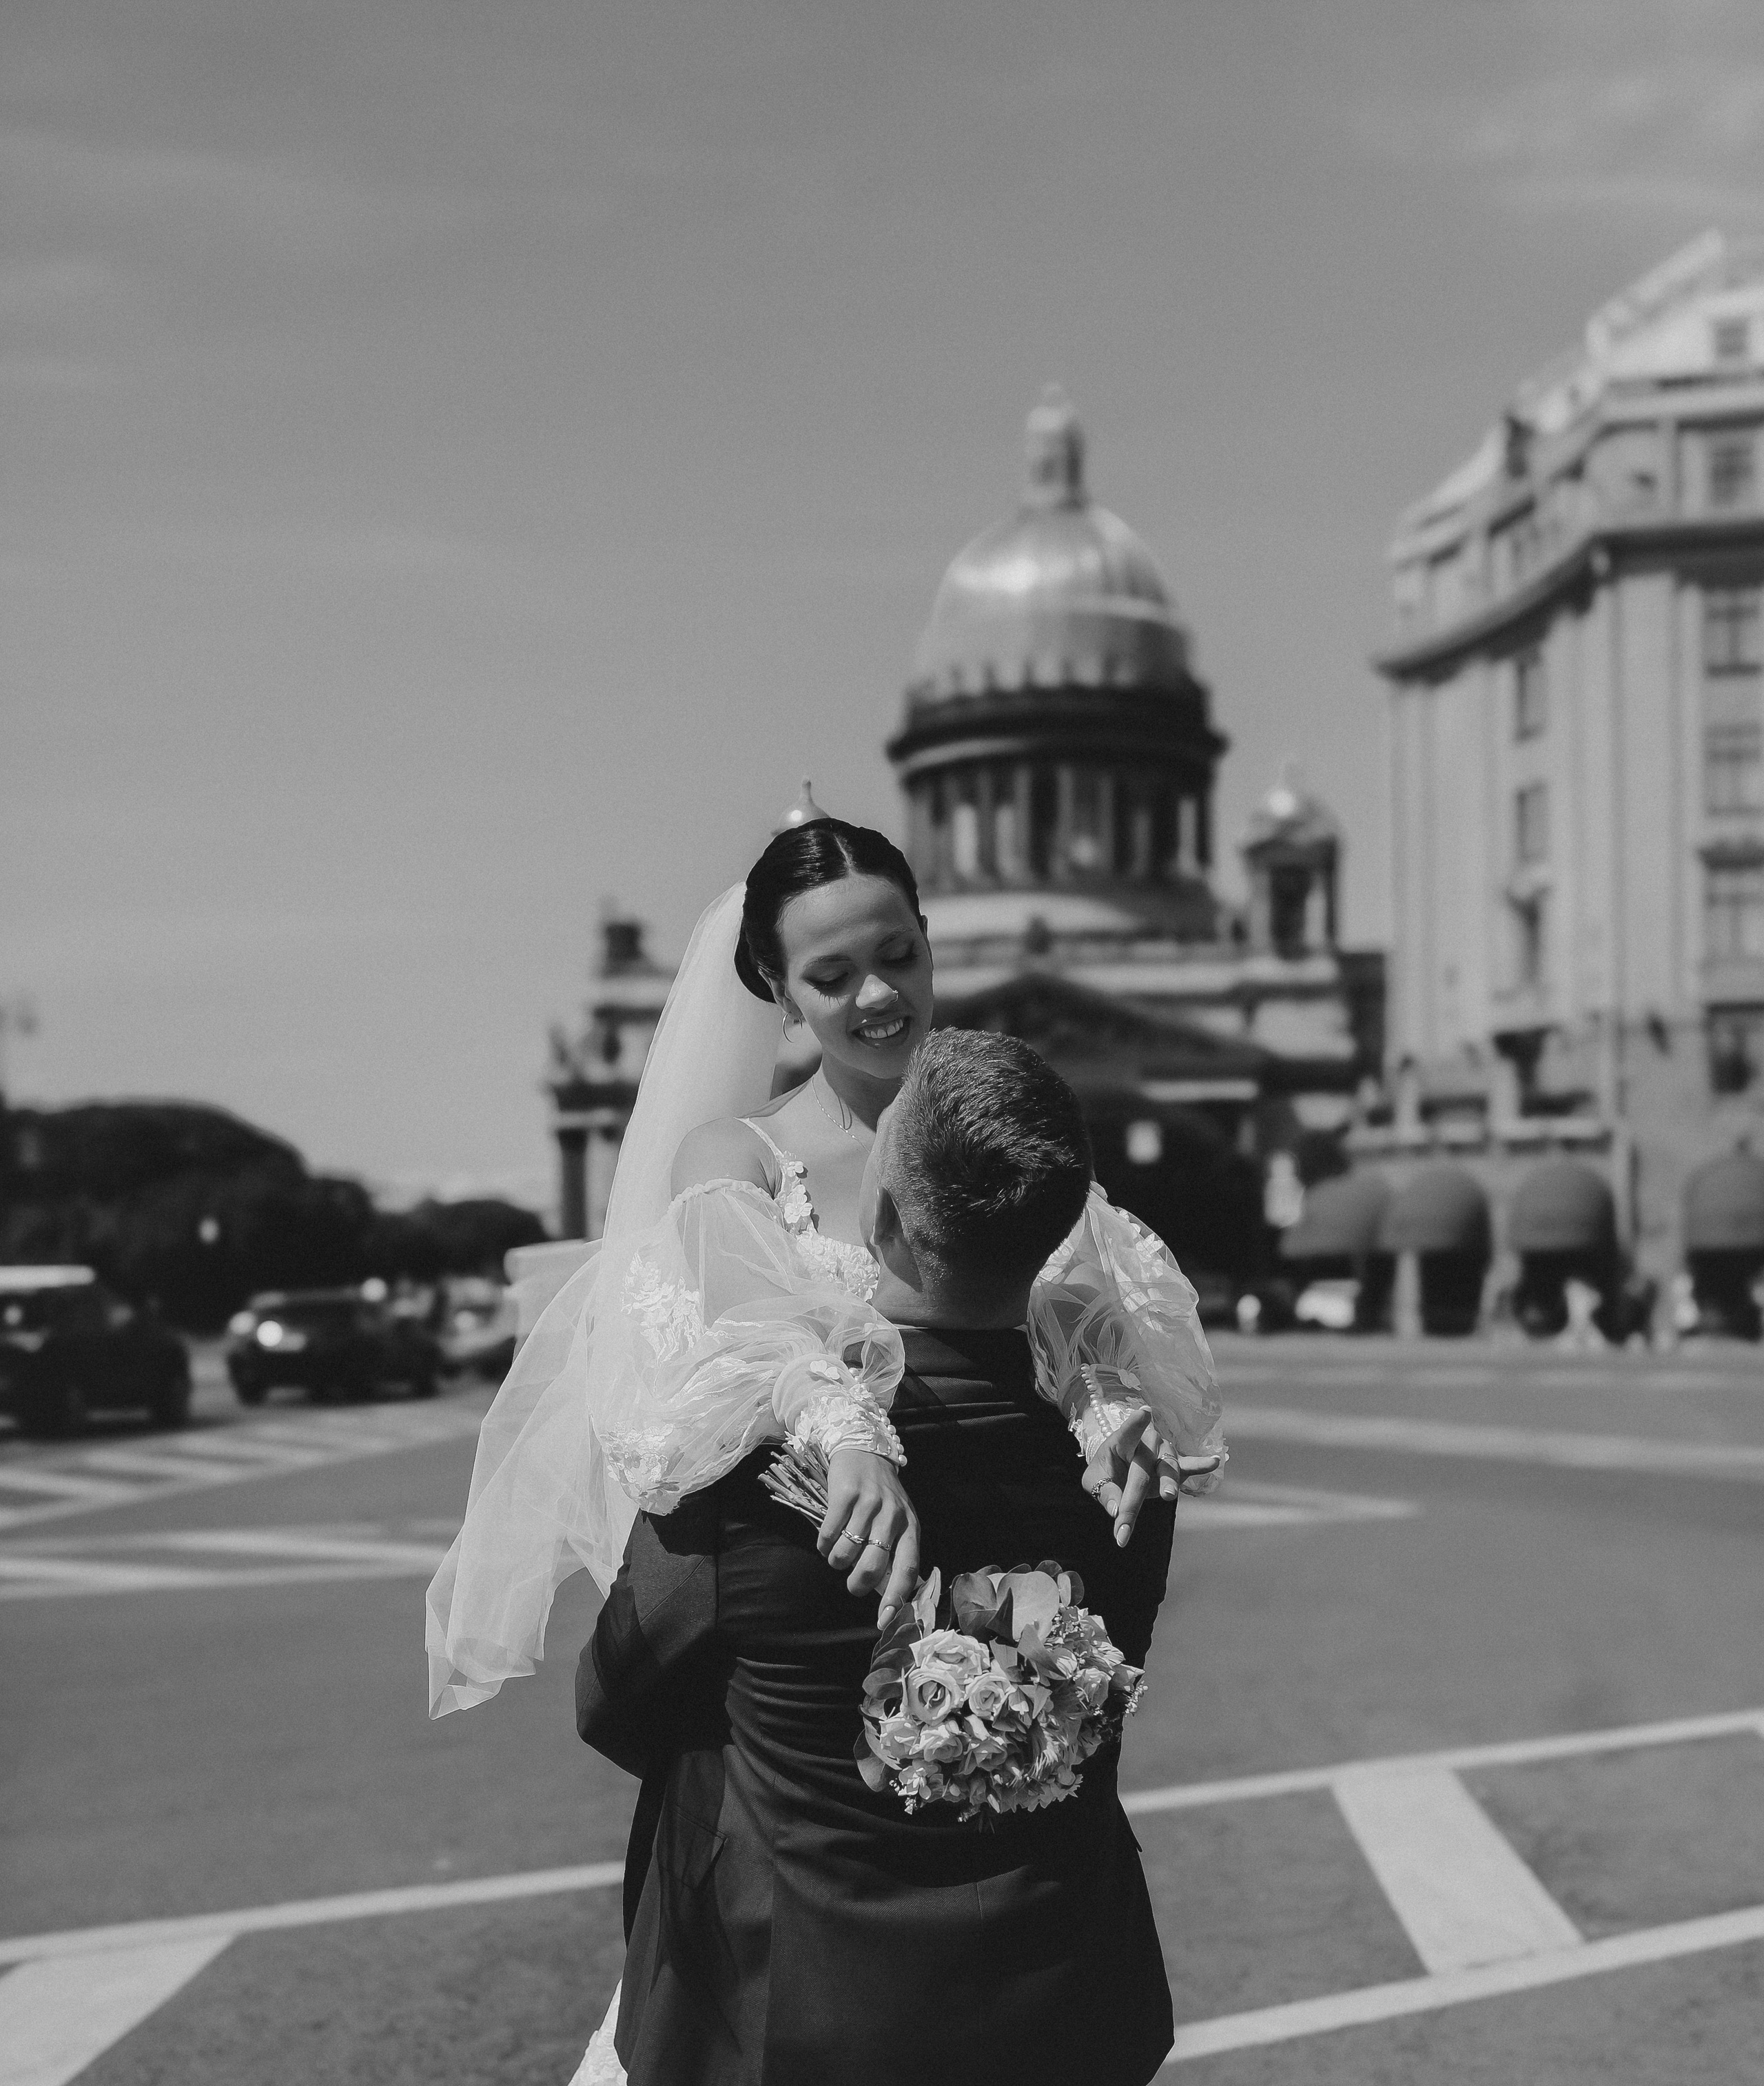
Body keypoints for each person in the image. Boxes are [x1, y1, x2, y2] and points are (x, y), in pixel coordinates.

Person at [425, 819, 1221, 1720]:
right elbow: (752, 1319)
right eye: (833, 978)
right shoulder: (736, 1154)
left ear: (928, 937)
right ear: (778, 990)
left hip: (1007, 1569)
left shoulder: (998, 1119)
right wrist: (847, 1431)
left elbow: (1075, 1274)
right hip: (822, 1576)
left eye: (900, 954)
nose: (880, 995)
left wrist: (1104, 1394)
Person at [576, 1032, 1180, 2086]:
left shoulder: (752, 1454)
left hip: (801, 1999)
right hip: (1065, 1997)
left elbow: (619, 1692)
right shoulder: (1124, 1454)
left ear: (884, 1217)